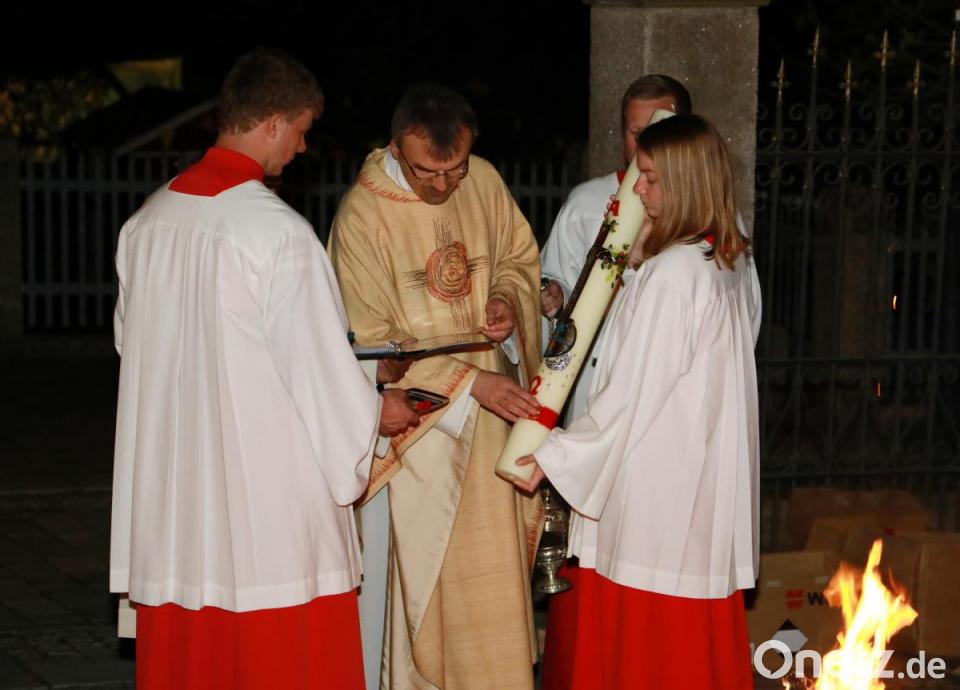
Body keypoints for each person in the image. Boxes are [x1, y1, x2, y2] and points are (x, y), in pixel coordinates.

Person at [110, 47, 420, 690]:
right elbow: (317, 374)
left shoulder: (147, 222)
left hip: (177, 496)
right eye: (301, 131)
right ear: (273, 122)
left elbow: (133, 343)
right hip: (263, 505)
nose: (302, 147)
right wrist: (373, 414)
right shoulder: (277, 232)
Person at [515, 114, 761, 690]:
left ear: (683, 181)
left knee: (650, 645)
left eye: (649, 178)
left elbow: (632, 391)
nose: (636, 189)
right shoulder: (717, 255)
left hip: (657, 482)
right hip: (694, 472)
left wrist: (555, 452)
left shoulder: (674, 274)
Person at [328, 83, 543, 690]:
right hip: (424, 432)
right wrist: (471, 383)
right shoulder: (363, 215)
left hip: (492, 416)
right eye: (428, 172)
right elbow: (367, 339)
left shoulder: (486, 181)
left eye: (457, 169)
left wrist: (505, 300)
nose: (445, 185)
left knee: (494, 579)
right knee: (429, 580)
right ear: (397, 148)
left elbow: (518, 259)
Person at [539, 74, 691, 412]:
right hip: (595, 388)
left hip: (673, 395)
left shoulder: (709, 213)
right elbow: (555, 277)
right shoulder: (586, 203)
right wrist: (555, 295)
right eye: (637, 134)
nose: (646, 146)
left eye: (659, 132)